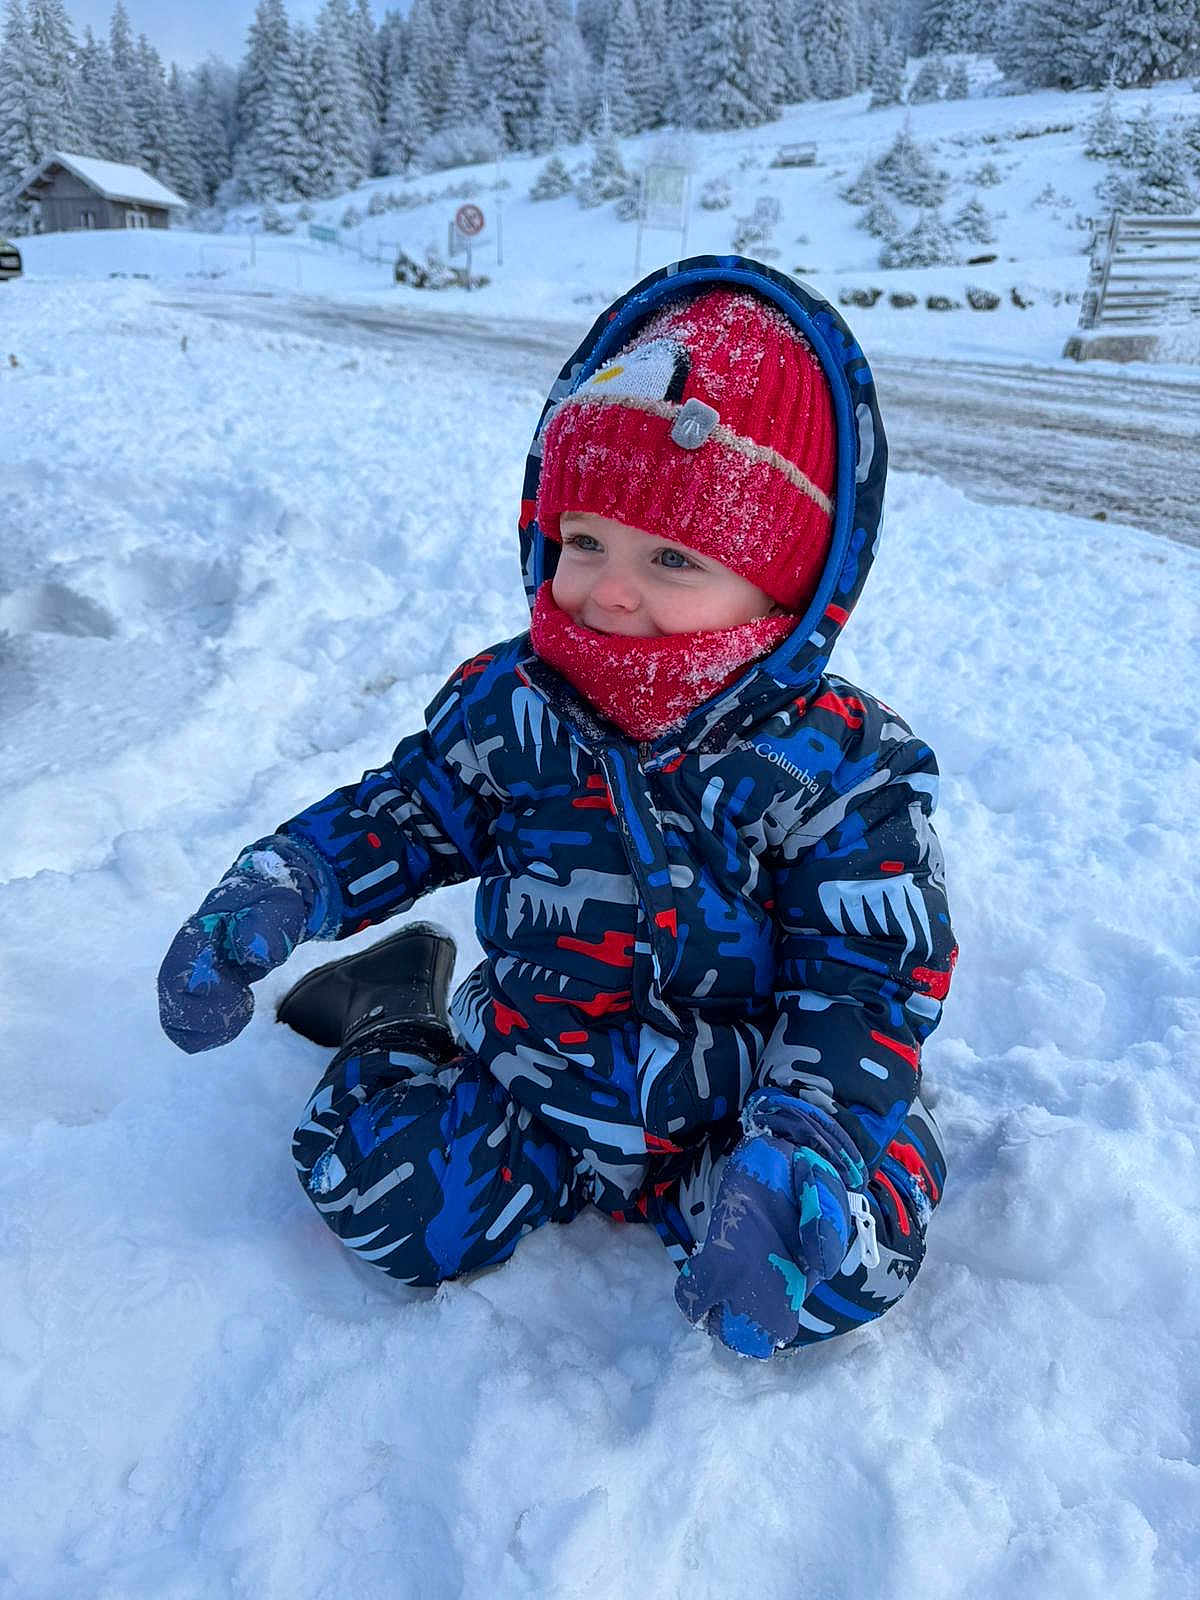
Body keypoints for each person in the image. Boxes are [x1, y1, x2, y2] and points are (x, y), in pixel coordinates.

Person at [158, 257, 957, 1361]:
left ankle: (816, 1170)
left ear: (788, 583)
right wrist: (289, 882)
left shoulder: (840, 768)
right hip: (540, 1089)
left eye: (671, 556)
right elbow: (404, 814)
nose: (611, 590)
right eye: (586, 542)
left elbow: (867, 980)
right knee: (375, 1199)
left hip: (745, 1113)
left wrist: (805, 1135)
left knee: (841, 1264)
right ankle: (393, 1008)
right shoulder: (513, 704)